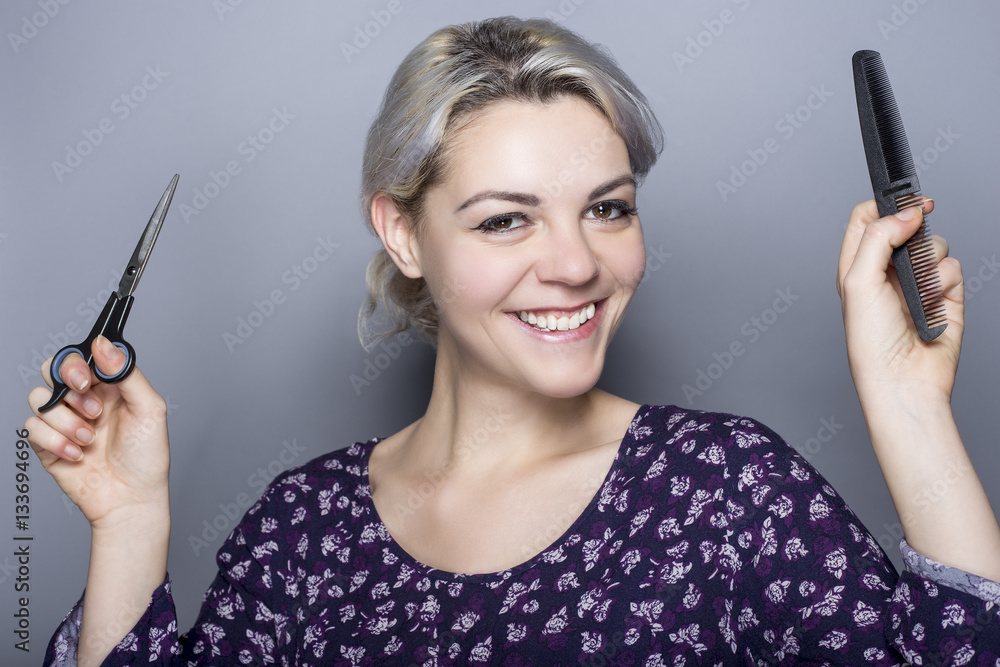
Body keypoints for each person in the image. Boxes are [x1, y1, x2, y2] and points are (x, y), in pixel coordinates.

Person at [28, 16, 1000, 666]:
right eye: (505, 220)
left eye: (607, 209)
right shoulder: (303, 532)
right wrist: (127, 523)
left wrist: (911, 409)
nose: (575, 264)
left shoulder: (726, 485)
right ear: (403, 232)